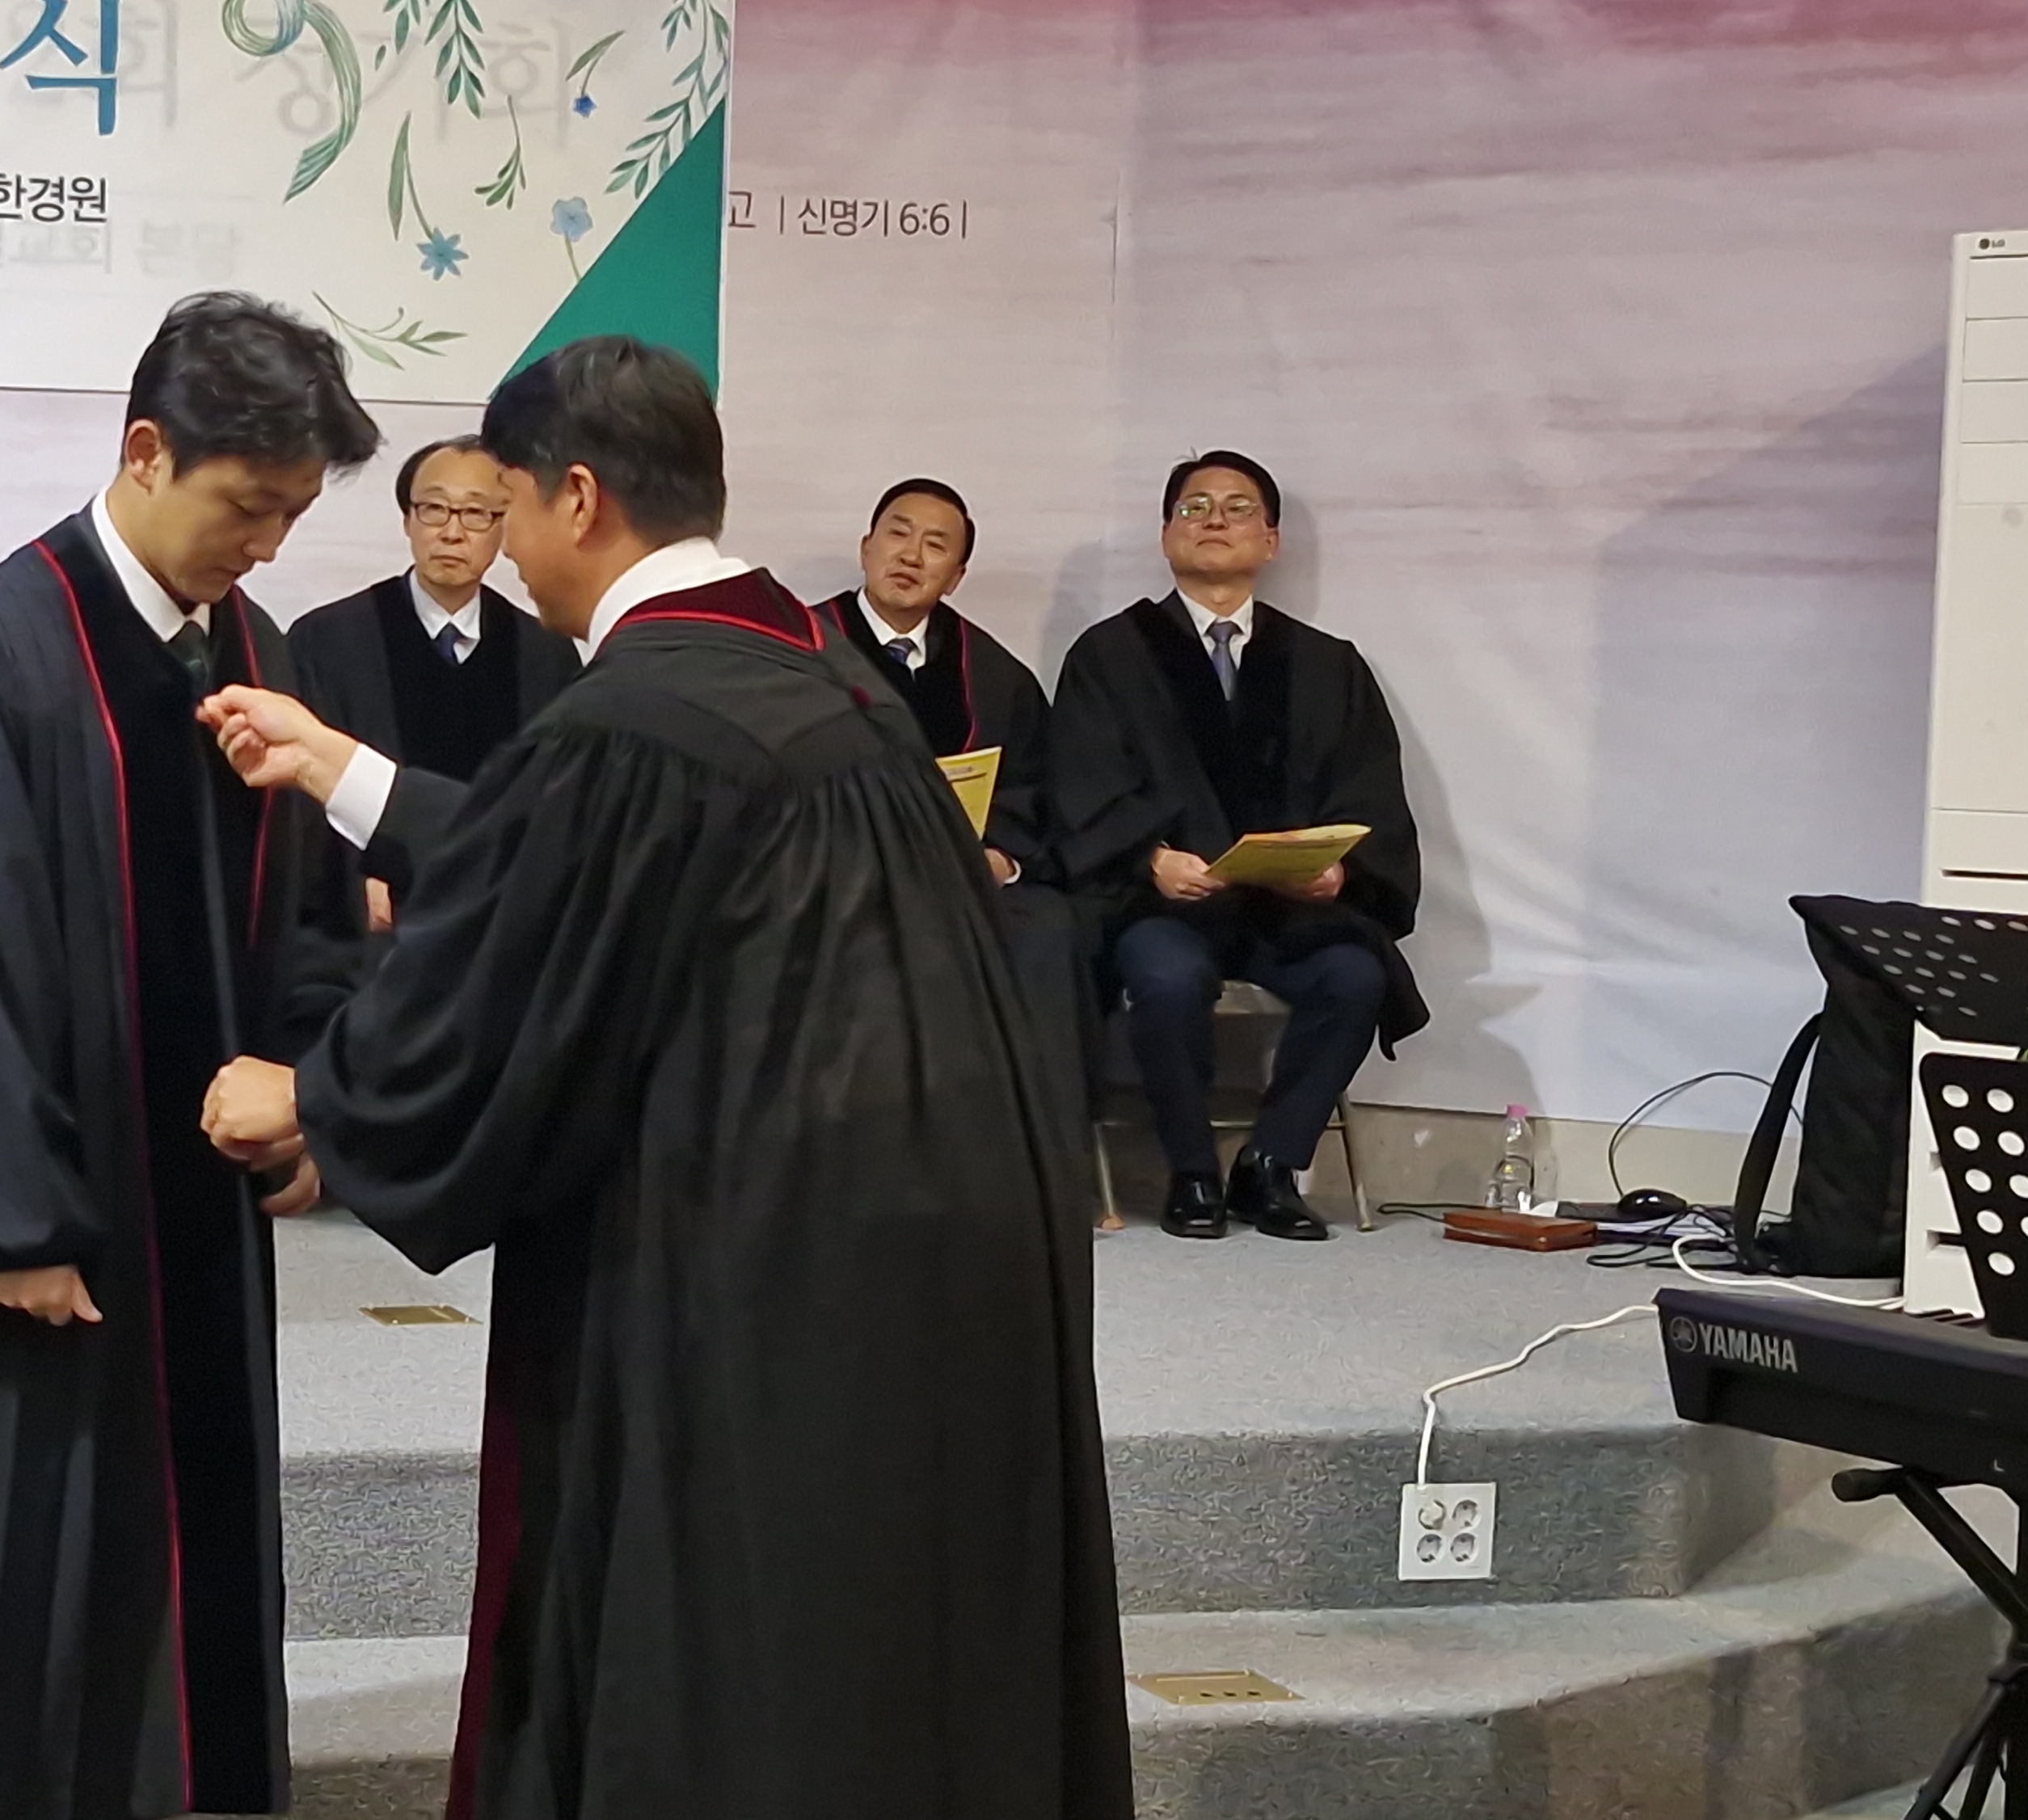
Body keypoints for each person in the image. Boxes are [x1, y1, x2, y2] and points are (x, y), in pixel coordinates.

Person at [193, 339, 1130, 1820]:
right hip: (941, 1240)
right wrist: (338, 769)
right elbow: (578, 865)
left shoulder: (640, 713)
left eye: (508, 504)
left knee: (740, 1645)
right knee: (903, 1634)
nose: (506, 546)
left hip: (764, 1262)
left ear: (575, 497)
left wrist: (321, 1096)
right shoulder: (816, 678)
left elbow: (534, 941)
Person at [0, 293, 378, 1819]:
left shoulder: (246, 654)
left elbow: (310, 911)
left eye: (292, 513)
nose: (267, 545)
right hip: (34, 1233)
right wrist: (7, 1218)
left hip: (193, 1211)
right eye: (246, 505)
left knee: (180, 1556)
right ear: (145, 451)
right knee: (24, 1561)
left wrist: (310, 1097)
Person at [1045, 450, 1424, 1242]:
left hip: (1287, 910)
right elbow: (1079, 782)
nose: (1214, 519)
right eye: (1194, 506)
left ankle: (1270, 1165)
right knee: (1166, 978)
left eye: (1238, 507)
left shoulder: (1327, 664)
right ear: (1165, 534)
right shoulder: (1110, 655)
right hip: (1165, 905)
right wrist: (1150, 858)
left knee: (1354, 975)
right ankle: (1192, 1171)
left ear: (1271, 541)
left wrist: (1335, 873)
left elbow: (1367, 792)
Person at [820, 477, 1095, 1167]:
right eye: (898, 533)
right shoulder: (797, 650)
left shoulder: (995, 675)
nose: (911, 555)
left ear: (957, 576)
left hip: (961, 885)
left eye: (936, 545)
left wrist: (1000, 857)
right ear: (866, 546)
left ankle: (1042, 1168)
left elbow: (1033, 791)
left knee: (1048, 928)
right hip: (833, 882)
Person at [287, 435, 578, 942]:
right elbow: (300, 787)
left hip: (498, 923)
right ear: (408, 520)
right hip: (369, 931)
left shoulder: (545, 653)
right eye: (434, 509)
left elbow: (556, 800)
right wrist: (356, 876)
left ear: (504, 526)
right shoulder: (327, 641)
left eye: (476, 514)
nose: (452, 532)